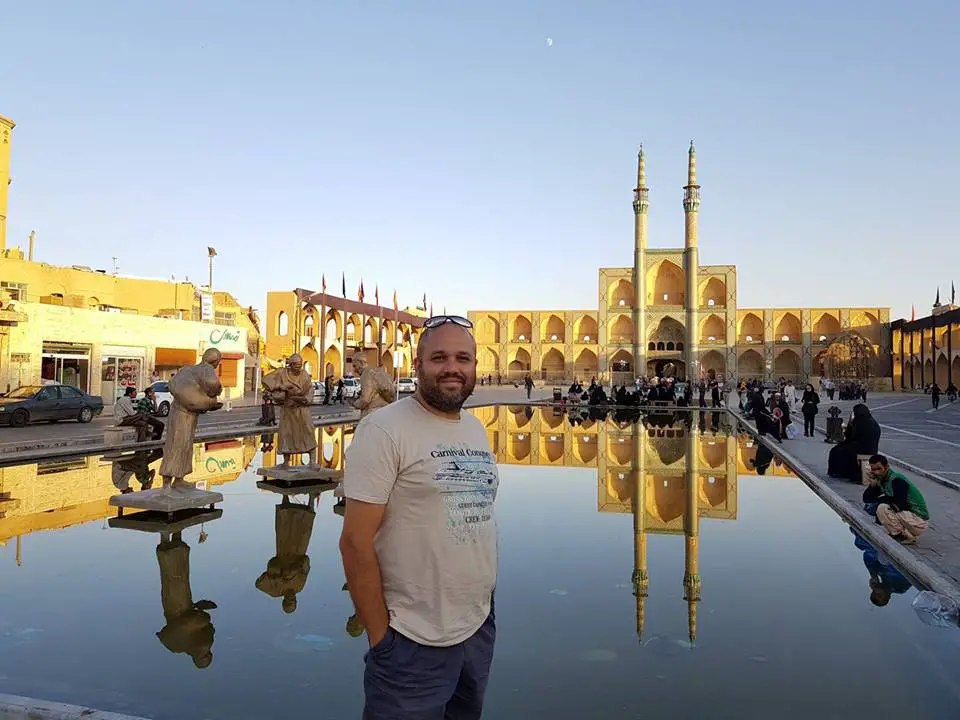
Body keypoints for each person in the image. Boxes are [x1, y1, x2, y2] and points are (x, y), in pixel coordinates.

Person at [340, 315, 498, 718]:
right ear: (418, 364)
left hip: (475, 628)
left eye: (463, 358)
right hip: (410, 640)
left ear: (475, 365)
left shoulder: (475, 429)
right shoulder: (384, 430)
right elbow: (355, 542)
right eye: (439, 358)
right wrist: (382, 639)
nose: (452, 368)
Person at [261, 353, 317, 465]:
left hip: (301, 409)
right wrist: (280, 386)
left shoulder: (304, 375)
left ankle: (312, 460)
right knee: (286, 434)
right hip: (287, 409)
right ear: (290, 365)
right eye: (296, 366)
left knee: (308, 431)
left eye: (300, 366)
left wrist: (305, 399)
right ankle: (286, 461)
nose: (299, 368)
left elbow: (310, 390)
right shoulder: (282, 373)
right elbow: (266, 380)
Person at [863, 455, 929, 545]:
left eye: (879, 469)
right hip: (907, 517)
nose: (877, 472)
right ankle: (900, 532)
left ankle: (904, 535)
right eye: (874, 470)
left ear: (886, 467)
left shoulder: (897, 480)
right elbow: (867, 499)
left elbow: (900, 504)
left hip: (918, 520)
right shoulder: (882, 480)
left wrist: (881, 501)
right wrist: (872, 485)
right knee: (873, 506)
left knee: (882, 508)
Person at [828, 403, 881, 482]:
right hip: (872, 448)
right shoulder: (871, 421)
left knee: (836, 451)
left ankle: (841, 472)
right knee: (840, 449)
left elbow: (851, 437)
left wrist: (849, 426)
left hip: (861, 448)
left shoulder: (860, 422)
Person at [352, 353, 396, 418]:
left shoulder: (367, 374)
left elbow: (365, 400)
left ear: (361, 363)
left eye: (355, 366)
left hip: (371, 413)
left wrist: (355, 404)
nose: (354, 370)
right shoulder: (379, 372)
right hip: (384, 411)